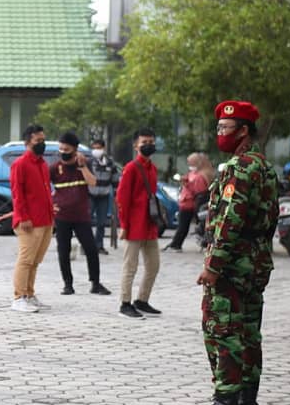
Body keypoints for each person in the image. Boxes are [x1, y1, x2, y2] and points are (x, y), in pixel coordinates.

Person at [185, 101, 278, 405]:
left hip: (232, 265)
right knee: (249, 332)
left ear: (243, 131)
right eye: (219, 128)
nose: (219, 134)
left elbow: (229, 221)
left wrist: (213, 264)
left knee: (222, 330)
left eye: (225, 128)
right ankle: (246, 403)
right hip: (255, 263)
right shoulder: (264, 166)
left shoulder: (239, 168)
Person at [51, 131, 109, 297]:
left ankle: (95, 283)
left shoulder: (85, 164)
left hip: (81, 216)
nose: (63, 152)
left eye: (67, 149)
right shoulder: (55, 168)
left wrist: (83, 166)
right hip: (62, 216)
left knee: (91, 249)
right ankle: (68, 285)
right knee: (63, 250)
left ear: (75, 150)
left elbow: (92, 182)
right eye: (61, 148)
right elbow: (44, 186)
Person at [115, 128, 163, 319]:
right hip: (134, 225)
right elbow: (122, 199)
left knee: (153, 265)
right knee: (130, 266)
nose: (149, 145)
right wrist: (124, 226)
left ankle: (142, 300)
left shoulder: (153, 168)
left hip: (149, 225)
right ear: (136, 145)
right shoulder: (131, 168)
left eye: (151, 141)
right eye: (144, 142)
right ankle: (125, 304)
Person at [9, 124, 55, 313]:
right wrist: (23, 217)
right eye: (38, 141)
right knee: (26, 259)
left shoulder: (42, 163)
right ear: (28, 142)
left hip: (45, 219)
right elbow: (17, 193)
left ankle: (29, 293)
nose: (41, 144)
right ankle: (19, 297)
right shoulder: (20, 164)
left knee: (35, 261)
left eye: (43, 140)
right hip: (29, 221)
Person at [165, 152, 214, 252]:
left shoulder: (202, 175)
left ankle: (176, 244)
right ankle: (175, 244)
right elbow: (189, 177)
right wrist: (184, 179)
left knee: (183, 226)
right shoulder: (194, 173)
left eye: (191, 162)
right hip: (185, 202)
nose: (190, 165)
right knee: (183, 225)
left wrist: (187, 185)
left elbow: (200, 191)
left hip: (191, 204)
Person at [87, 139, 118, 255]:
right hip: (90, 195)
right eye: (94, 148)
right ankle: (87, 246)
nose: (96, 150)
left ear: (103, 148)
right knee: (86, 221)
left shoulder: (110, 162)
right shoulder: (89, 162)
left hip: (104, 196)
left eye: (99, 148)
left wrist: (116, 193)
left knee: (101, 222)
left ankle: (99, 245)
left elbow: (115, 179)